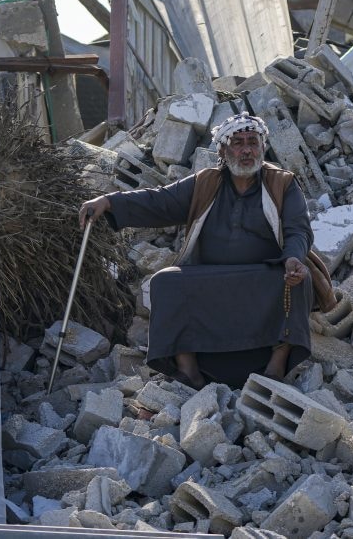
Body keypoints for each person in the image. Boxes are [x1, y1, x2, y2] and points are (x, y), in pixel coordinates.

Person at [79, 112, 330, 389]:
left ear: (262, 147)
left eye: (252, 142)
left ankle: (277, 361)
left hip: (264, 275)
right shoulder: (205, 183)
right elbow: (160, 201)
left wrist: (292, 258)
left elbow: (299, 229)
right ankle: (189, 370)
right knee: (165, 282)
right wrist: (110, 201)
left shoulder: (282, 183)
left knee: (298, 278)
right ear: (222, 150)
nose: (246, 149)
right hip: (210, 277)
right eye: (237, 143)